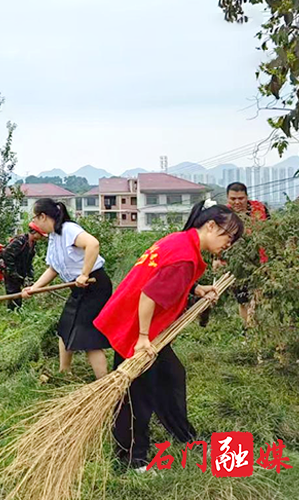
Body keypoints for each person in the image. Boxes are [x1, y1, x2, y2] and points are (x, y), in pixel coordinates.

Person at [93, 200, 244, 471]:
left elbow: (167, 279)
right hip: (137, 329)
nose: (228, 244)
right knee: (137, 395)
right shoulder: (185, 256)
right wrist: (141, 338)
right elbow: (150, 294)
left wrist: (196, 289)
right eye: (228, 236)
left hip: (139, 324)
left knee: (171, 377)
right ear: (210, 225)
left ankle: (185, 437)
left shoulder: (180, 242)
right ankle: (132, 459)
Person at [21, 198, 112, 379]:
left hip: (95, 285)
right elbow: (53, 268)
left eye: (35, 218)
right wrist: (34, 288)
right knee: (65, 327)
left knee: (88, 337)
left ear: (43, 216)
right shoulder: (54, 237)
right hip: (78, 289)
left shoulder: (69, 229)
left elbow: (92, 244)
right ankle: (65, 371)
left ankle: (104, 383)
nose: (35, 223)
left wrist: (84, 274)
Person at [215, 182, 270, 328]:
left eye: (241, 198)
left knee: (258, 295)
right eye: (233, 199)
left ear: (247, 197)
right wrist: (218, 259)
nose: (237, 202)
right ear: (228, 198)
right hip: (236, 262)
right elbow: (216, 239)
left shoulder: (260, 209)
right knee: (243, 298)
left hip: (261, 260)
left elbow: (271, 232)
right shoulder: (223, 215)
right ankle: (248, 329)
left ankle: (254, 328)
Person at [2, 222, 44, 310]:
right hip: (12, 272)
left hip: (22, 272)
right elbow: (7, 254)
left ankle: (18, 311)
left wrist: (30, 276)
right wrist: (12, 271)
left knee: (20, 293)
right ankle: (12, 313)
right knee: (13, 293)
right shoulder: (20, 241)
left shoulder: (32, 245)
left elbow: (29, 262)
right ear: (34, 232)